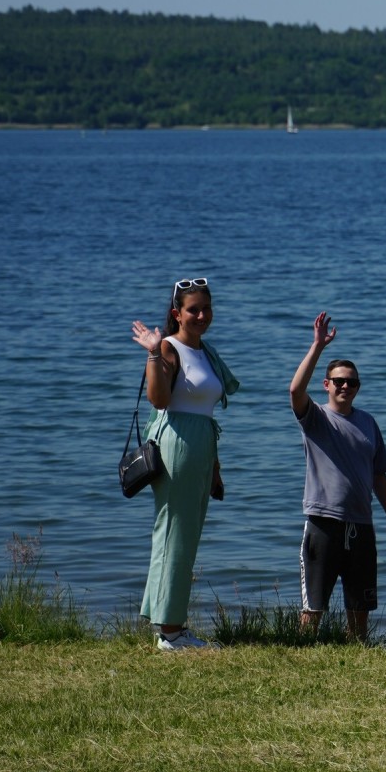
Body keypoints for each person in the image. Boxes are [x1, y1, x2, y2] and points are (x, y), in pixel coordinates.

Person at [128, 277, 241, 652]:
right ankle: (171, 632)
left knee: (183, 535)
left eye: (207, 309)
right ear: (177, 313)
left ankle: (168, 624)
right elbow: (159, 400)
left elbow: (207, 412)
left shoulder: (205, 351)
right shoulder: (168, 347)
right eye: (194, 310)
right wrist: (153, 353)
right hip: (176, 443)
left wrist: (215, 467)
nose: (202, 315)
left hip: (201, 444)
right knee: (174, 534)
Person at [288, 311, 386, 642]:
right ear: (326, 385)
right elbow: (295, 390)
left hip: (361, 524)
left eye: (351, 382)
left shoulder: (368, 422)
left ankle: (356, 656)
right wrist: (317, 346)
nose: (345, 386)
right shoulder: (316, 418)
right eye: (338, 381)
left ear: (358, 387)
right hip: (323, 522)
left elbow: (379, 475)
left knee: (360, 608)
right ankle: (302, 655)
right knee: (313, 608)